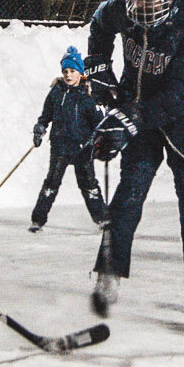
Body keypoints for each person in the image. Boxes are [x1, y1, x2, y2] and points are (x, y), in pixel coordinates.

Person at [83, 0, 184, 312]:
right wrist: (99, 73)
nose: (142, 7)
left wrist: (131, 116)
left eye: (152, 0)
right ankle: (109, 269)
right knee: (130, 189)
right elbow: (99, 25)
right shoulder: (120, 8)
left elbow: (183, 92)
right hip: (138, 102)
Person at [29, 46, 108, 231]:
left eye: (72, 71)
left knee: (89, 185)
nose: (68, 75)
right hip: (60, 146)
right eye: (65, 71)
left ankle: (102, 218)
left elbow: (99, 123)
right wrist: (40, 128)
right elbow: (46, 114)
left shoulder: (88, 96)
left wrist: (101, 140)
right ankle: (37, 220)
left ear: (80, 73)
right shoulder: (56, 92)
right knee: (51, 183)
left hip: (82, 148)